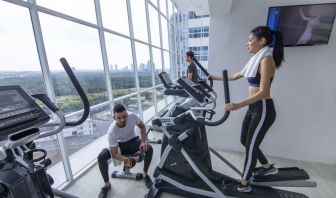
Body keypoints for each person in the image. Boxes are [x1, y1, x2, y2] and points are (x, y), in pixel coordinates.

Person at [209, 26, 284, 192]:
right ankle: (267, 167)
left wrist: (237, 105)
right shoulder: (255, 59)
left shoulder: (266, 60)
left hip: (263, 108)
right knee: (245, 140)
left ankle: (244, 184)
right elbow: (235, 76)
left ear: (262, 41)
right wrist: (213, 77)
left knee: (250, 146)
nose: (247, 43)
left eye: (250, 40)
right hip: (254, 108)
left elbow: (264, 92)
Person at [97, 104, 153, 198]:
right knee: (101, 157)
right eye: (118, 118)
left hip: (133, 141)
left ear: (127, 114)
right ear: (114, 118)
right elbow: (114, 154)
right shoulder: (112, 131)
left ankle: (145, 174)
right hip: (119, 146)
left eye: (124, 116)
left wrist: (143, 141)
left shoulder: (132, 116)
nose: (122, 120)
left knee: (149, 148)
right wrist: (129, 159)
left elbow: (142, 127)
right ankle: (107, 185)